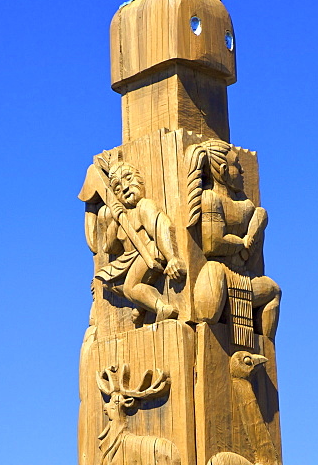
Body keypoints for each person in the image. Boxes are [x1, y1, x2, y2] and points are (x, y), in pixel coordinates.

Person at [186, 140, 281, 341]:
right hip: (218, 272)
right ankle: (212, 339)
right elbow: (213, 243)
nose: (242, 172)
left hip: (243, 274)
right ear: (223, 170)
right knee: (208, 313)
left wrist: (257, 228)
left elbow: (253, 253)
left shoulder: (247, 206)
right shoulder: (211, 198)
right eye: (237, 166)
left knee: (273, 291)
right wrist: (243, 242)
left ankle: (265, 345)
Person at [93, 161, 185, 323]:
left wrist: (172, 258)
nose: (125, 188)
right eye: (118, 189)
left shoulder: (144, 206)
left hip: (148, 252)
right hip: (129, 257)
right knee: (108, 282)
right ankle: (142, 301)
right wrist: (115, 221)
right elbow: (109, 247)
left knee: (130, 287)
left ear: (140, 179)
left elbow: (161, 227)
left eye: (128, 178)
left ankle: (162, 307)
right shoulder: (123, 217)